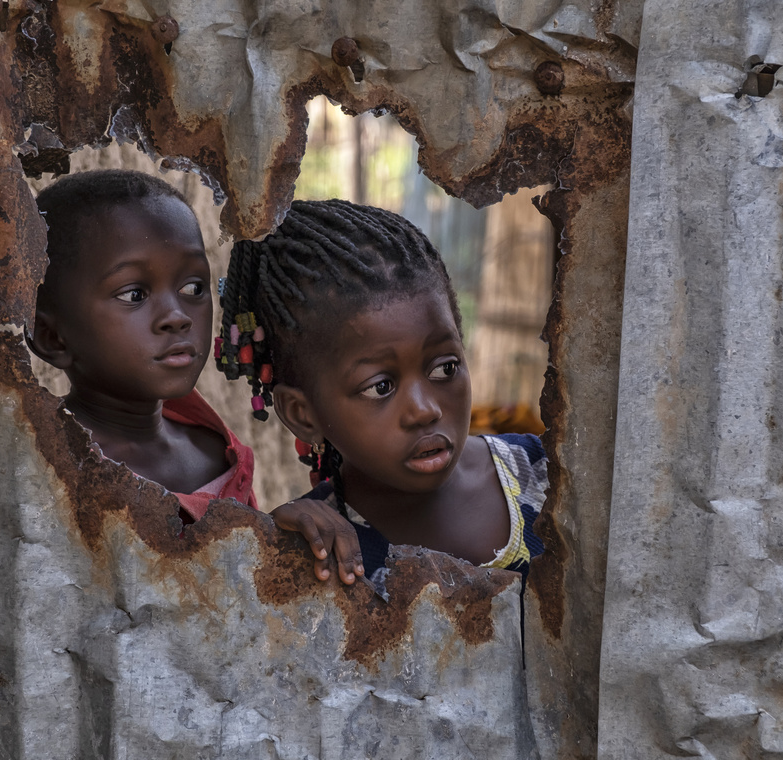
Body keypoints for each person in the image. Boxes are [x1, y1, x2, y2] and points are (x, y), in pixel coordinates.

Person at [217, 199, 547, 594]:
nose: (425, 410)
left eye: (444, 368)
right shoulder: (324, 553)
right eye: (380, 387)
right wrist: (274, 550)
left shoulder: (547, 476)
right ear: (304, 414)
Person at [28, 168, 253, 523]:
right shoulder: (44, 469)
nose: (177, 316)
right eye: (134, 295)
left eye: (193, 288)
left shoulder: (219, 454)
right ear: (51, 337)